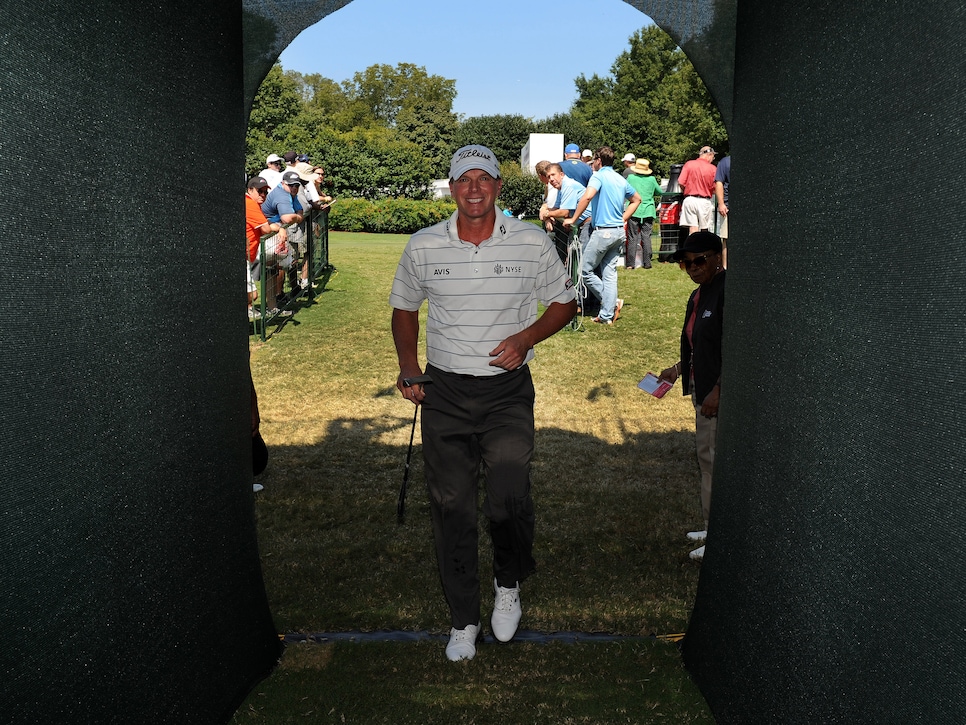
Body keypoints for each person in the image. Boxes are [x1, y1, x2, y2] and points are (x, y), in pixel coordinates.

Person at [389, 144, 577, 662]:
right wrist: (409, 366)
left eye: (484, 178)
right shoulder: (424, 245)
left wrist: (527, 338)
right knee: (451, 507)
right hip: (445, 392)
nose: (474, 188)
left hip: (506, 394)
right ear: (452, 189)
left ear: (498, 186)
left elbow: (564, 302)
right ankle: (463, 618)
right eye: (464, 179)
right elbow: (405, 307)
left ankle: (509, 582)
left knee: (509, 492)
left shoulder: (531, 241)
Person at [658, 231, 725, 562]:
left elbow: (734, 349)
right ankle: (711, 525)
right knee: (705, 460)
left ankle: (719, 533)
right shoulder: (699, 296)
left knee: (713, 460)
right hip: (701, 387)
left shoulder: (727, 292)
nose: (693, 268)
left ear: (717, 257)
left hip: (714, 392)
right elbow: (700, 343)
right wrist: (678, 367)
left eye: (699, 261)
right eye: (686, 264)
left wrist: (718, 390)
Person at [563, 146, 641, 325]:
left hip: (603, 232)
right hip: (618, 232)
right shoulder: (621, 179)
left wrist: (573, 219)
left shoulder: (597, 176)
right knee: (609, 274)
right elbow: (637, 199)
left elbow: (587, 197)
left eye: (593, 162)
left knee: (584, 270)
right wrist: (623, 219)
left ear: (598, 161)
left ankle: (612, 303)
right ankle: (606, 316)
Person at [245, 176, 290, 313]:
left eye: (265, 192)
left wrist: (279, 228)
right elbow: (265, 229)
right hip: (244, 254)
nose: (263, 195)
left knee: (271, 263)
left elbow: (266, 223)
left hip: (251, 252)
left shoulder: (254, 204)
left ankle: (269, 307)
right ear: (250, 190)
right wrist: (279, 228)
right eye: (260, 191)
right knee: (252, 295)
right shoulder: (250, 204)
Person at [624, 159, 663, 270]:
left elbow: (625, 189)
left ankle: (630, 264)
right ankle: (647, 263)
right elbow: (659, 191)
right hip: (648, 210)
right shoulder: (651, 179)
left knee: (632, 237)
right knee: (646, 237)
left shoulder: (631, 178)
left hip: (634, 210)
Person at [678, 146, 717, 235]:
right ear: (709, 155)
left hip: (689, 199)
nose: (713, 159)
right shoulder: (713, 168)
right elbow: (715, 188)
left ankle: (693, 247)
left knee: (693, 229)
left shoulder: (689, 164)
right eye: (713, 157)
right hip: (704, 201)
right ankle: (703, 248)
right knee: (704, 229)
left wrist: (687, 190)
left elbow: (681, 182)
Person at [714, 155, 731, 268]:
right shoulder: (725, 162)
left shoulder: (724, 161)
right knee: (726, 238)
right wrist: (721, 204)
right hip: (728, 207)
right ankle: (725, 268)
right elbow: (719, 183)